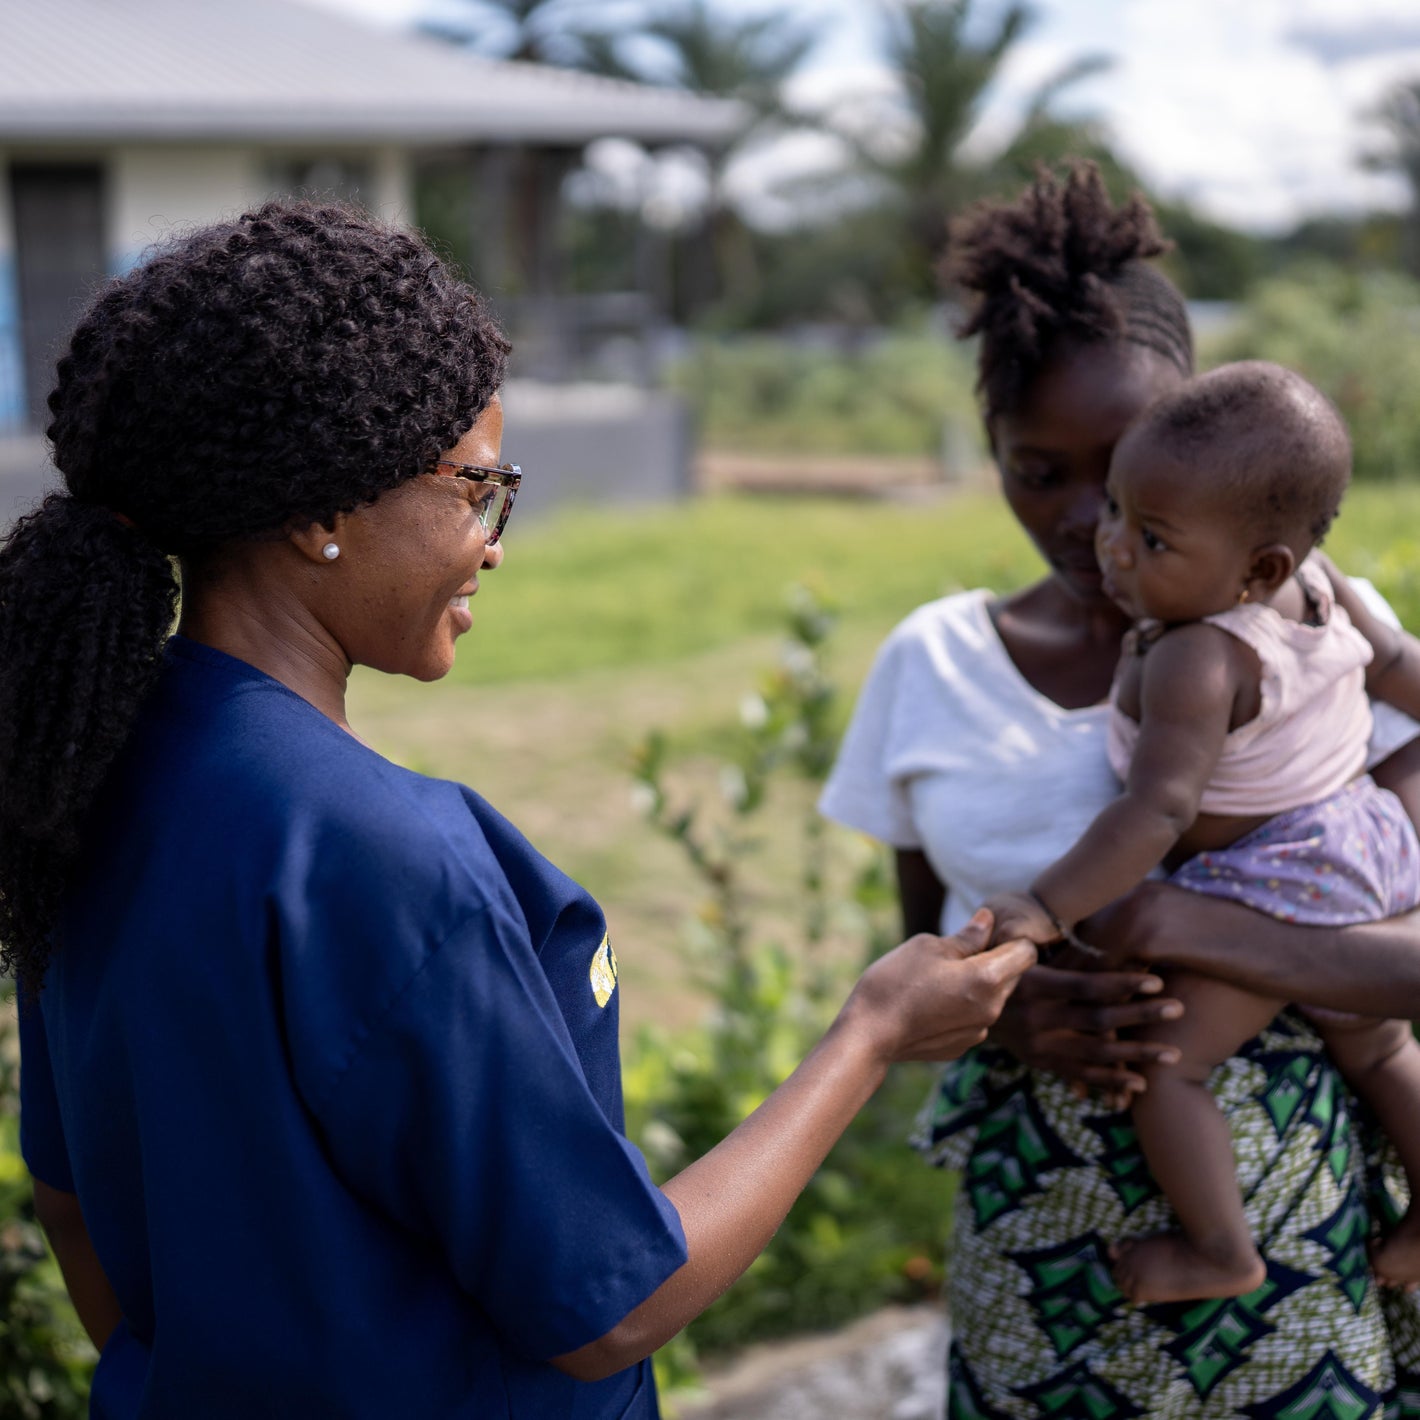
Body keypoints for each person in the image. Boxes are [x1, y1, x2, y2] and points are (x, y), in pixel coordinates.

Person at [0, 201, 1036, 1419]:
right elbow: (608, 1307)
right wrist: (868, 1032)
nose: (492, 543)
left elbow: (71, 1203)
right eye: (474, 489)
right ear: (319, 513)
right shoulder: (383, 856)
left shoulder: (88, 777)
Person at [819, 163, 1420, 1415]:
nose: (1093, 519)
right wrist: (1008, 1010)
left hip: (1299, 1245)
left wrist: (1205, 932)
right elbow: (916, 944)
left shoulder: (1307, 641)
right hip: (1045, 1252)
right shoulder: (932, 664)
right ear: (989, 457)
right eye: (1039, 471)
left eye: (1125, 468)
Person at [983, 360, 1420, 1306]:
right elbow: (1398, 665)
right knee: (1381, 1051)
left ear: (1258, 569)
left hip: (1280, 876)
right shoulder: (1325, 590)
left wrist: (1044, 907)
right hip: (1368, 840)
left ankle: (1221, 1251)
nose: (1112, 551)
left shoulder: (1195, 655)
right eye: (1116, 515)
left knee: (1173, 1070)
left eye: (1151, 538)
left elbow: (1160, 812)